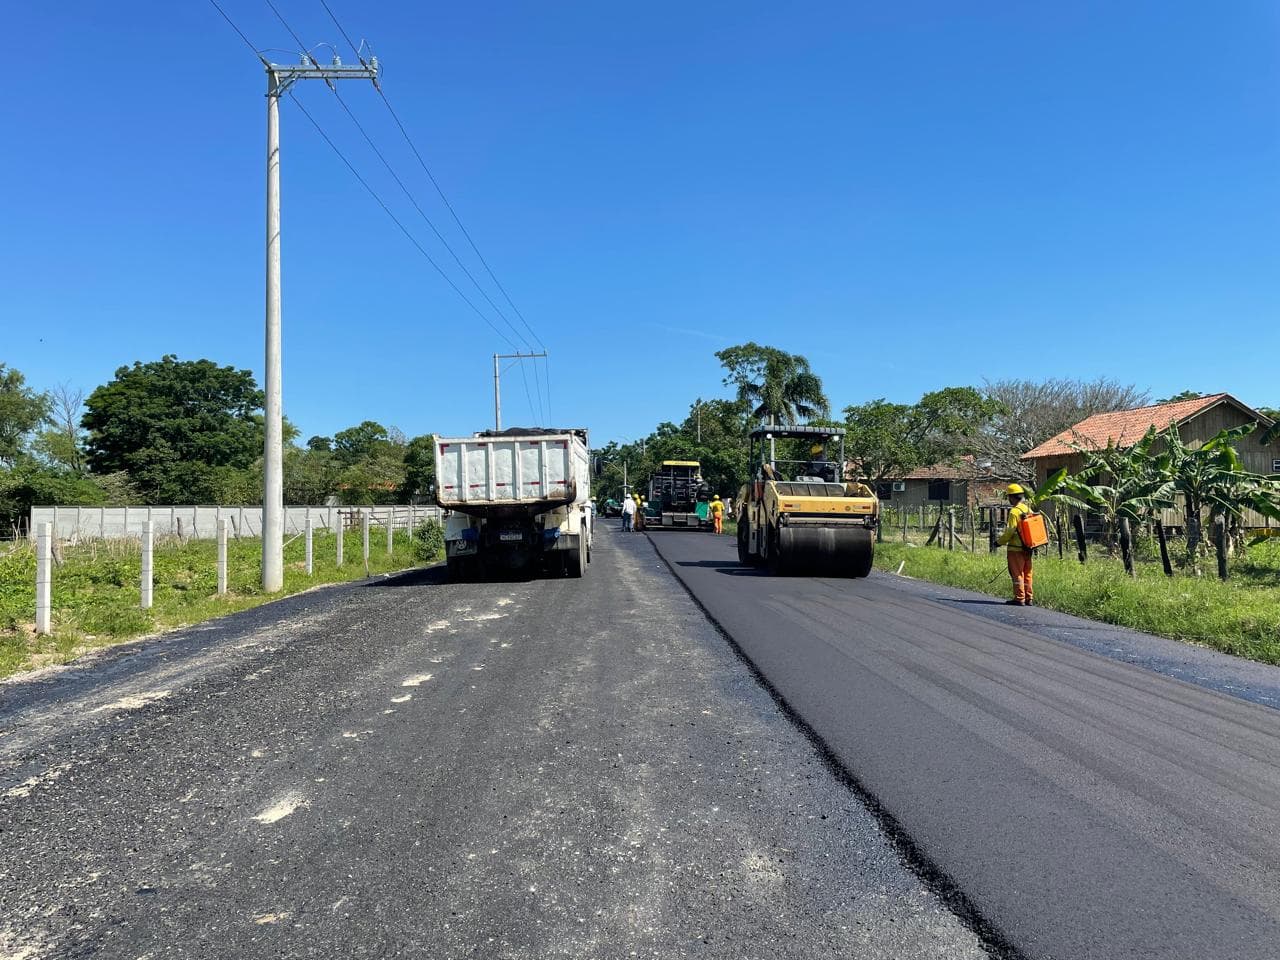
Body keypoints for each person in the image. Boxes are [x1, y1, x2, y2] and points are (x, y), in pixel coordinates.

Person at [997, 483, 1035, 606]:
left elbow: (1010, 531)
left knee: (1017, 573)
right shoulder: (1028, 509)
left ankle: (1019, 598)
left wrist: (999, 542)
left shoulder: (1014, 512)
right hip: (1028, 547)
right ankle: (1029, 598)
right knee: (1027, 573)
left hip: (1015, 548)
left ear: (1012, 497)